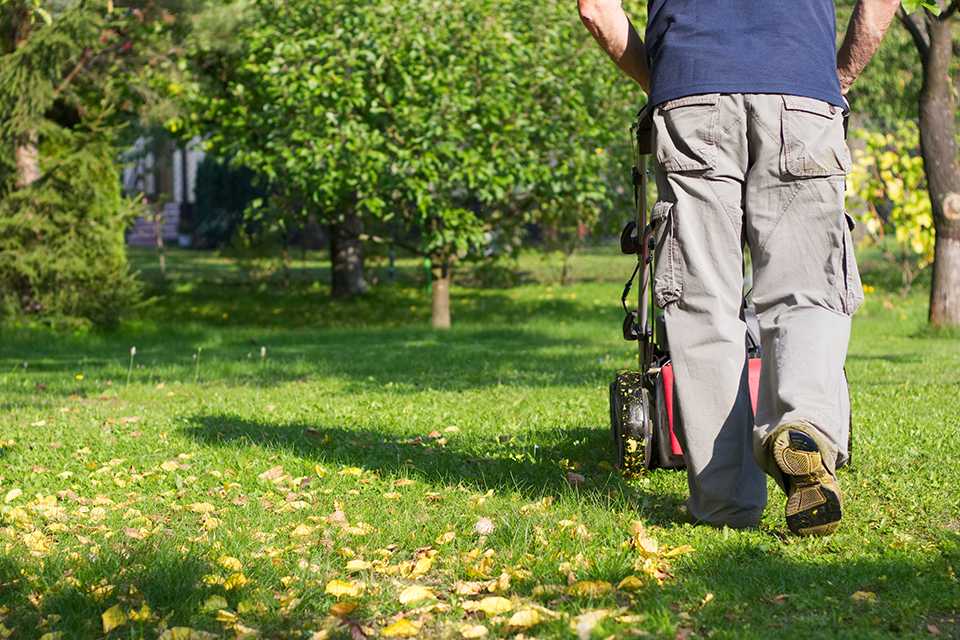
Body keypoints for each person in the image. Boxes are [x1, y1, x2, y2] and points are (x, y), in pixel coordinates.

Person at [578, 0, 901, 535]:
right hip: (801, 84)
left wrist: (664, 81)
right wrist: (836, 75)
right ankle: (803, 428)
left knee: (704, 306)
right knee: (807, 291)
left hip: (690, 88)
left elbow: (596, 10)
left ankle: (726, 505)